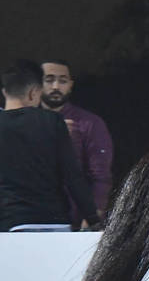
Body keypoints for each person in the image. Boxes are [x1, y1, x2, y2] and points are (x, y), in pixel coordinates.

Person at [0, 60, 100, 232]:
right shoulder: (51, 121)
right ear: (34, 92)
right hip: (55, 220)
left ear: (4, 92)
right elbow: (73, 176)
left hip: (12, 223)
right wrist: (93, 219)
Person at [40, 60, 114, 225]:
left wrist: (94, 214)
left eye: (63, 80)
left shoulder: (89, 123)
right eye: (49, 80)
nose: (56, 87)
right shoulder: (25, 122)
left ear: (71, 85)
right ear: (38, 84)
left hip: (74, 217)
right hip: (32, 216)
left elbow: (100, 175)